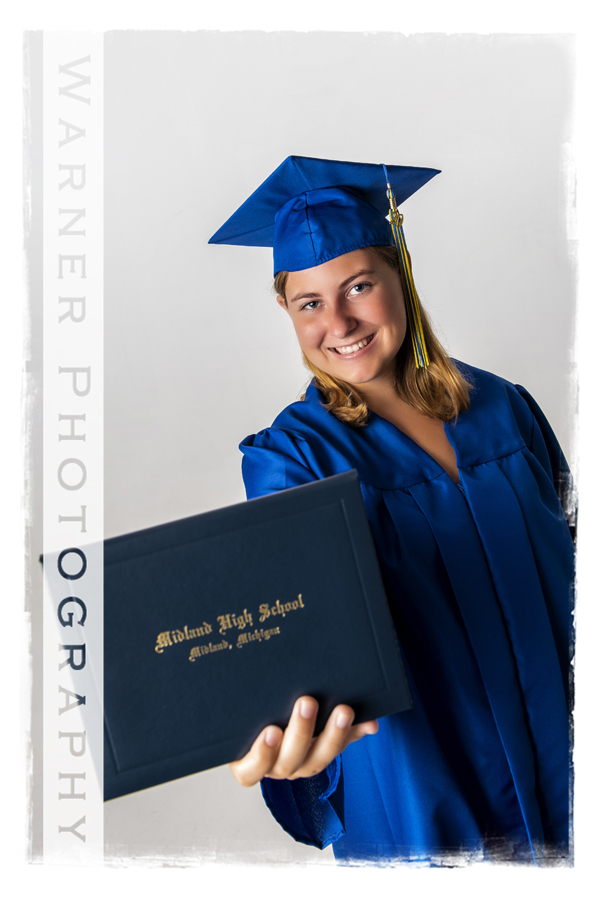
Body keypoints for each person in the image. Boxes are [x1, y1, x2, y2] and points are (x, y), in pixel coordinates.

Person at [208, 156, 575, 866]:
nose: (338, 321)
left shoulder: (508, 410)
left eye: (359, 286)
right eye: (309, 301)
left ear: (399, 275)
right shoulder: (293, 462)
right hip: (425, 800)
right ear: (286, 310)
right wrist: (285, 739)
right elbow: (295, 645)